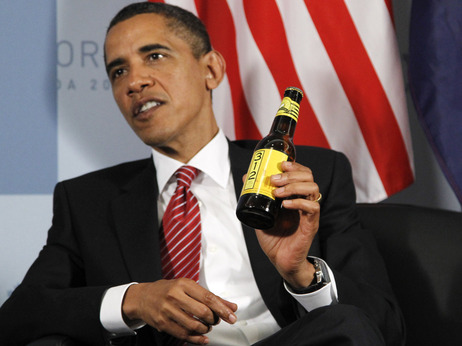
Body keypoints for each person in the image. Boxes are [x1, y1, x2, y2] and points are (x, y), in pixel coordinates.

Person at [0, 2, 404, 345]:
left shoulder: (308, 174)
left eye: (154, 56)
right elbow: (19, 314)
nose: (135, 81)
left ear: (210, 70)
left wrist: (301, 274)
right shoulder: (86, 199)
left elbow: (381, 325)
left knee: (345, 324)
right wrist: (134, 300)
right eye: (117, 71)